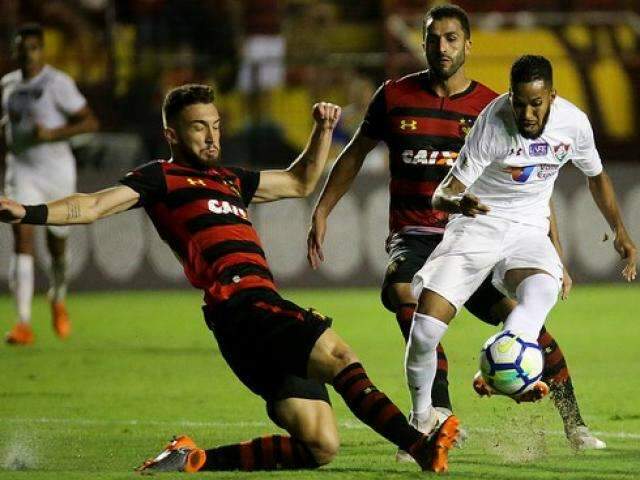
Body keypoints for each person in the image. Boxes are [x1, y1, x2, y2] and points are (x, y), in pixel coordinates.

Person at [0, 84, 460, 473]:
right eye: (199, 127)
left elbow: (300, 182)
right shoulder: (161, 178)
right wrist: (27, 212)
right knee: (339, 355)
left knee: (319, 446)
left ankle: (193, 459)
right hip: (244, 304)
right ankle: (420, 445)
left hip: (242, 324)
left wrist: (322, 131)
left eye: (216, 125)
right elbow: (94, 205)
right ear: (172, 134)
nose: (211, 135)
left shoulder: (229, 179)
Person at [307, 3, 603, 453]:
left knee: (525, 322)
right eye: (433, 38)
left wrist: (554, 256)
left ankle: (574, 423)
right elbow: (354, 156)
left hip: (485, 236)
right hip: (419, 236)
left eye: (450, 38)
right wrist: (323, 209)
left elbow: (532, 190)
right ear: (422, 42)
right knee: (406, 293)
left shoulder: (496, 107)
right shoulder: (393, 97)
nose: (441, 47)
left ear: (468, 44)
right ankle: (433, 416)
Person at [406, 53, 636, 469]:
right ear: (509, 96)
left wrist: (619, 229)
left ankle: (501, 363)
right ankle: (421, 421)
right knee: (423, 330)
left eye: (536, 104)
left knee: (544, 287)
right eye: (519, 103)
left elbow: (596, 174)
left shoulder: (574, 123)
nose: (527, 114)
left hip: (528, 229)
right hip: (477, 227)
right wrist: (461, 202)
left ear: (551, 96)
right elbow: (441, 195)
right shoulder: (491, 126)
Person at [1, 23, 99, 344]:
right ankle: (23, 322)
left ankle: (58, 296)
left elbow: (90, 121)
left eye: (32, 48)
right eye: (21, 48)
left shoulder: (58, 83)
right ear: (14, 50)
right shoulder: (7, 85)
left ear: (42, 50)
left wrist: (53, 134)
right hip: (22, 172)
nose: (27, 54)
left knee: (58, 244)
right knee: (22, 236)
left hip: (56, 173)